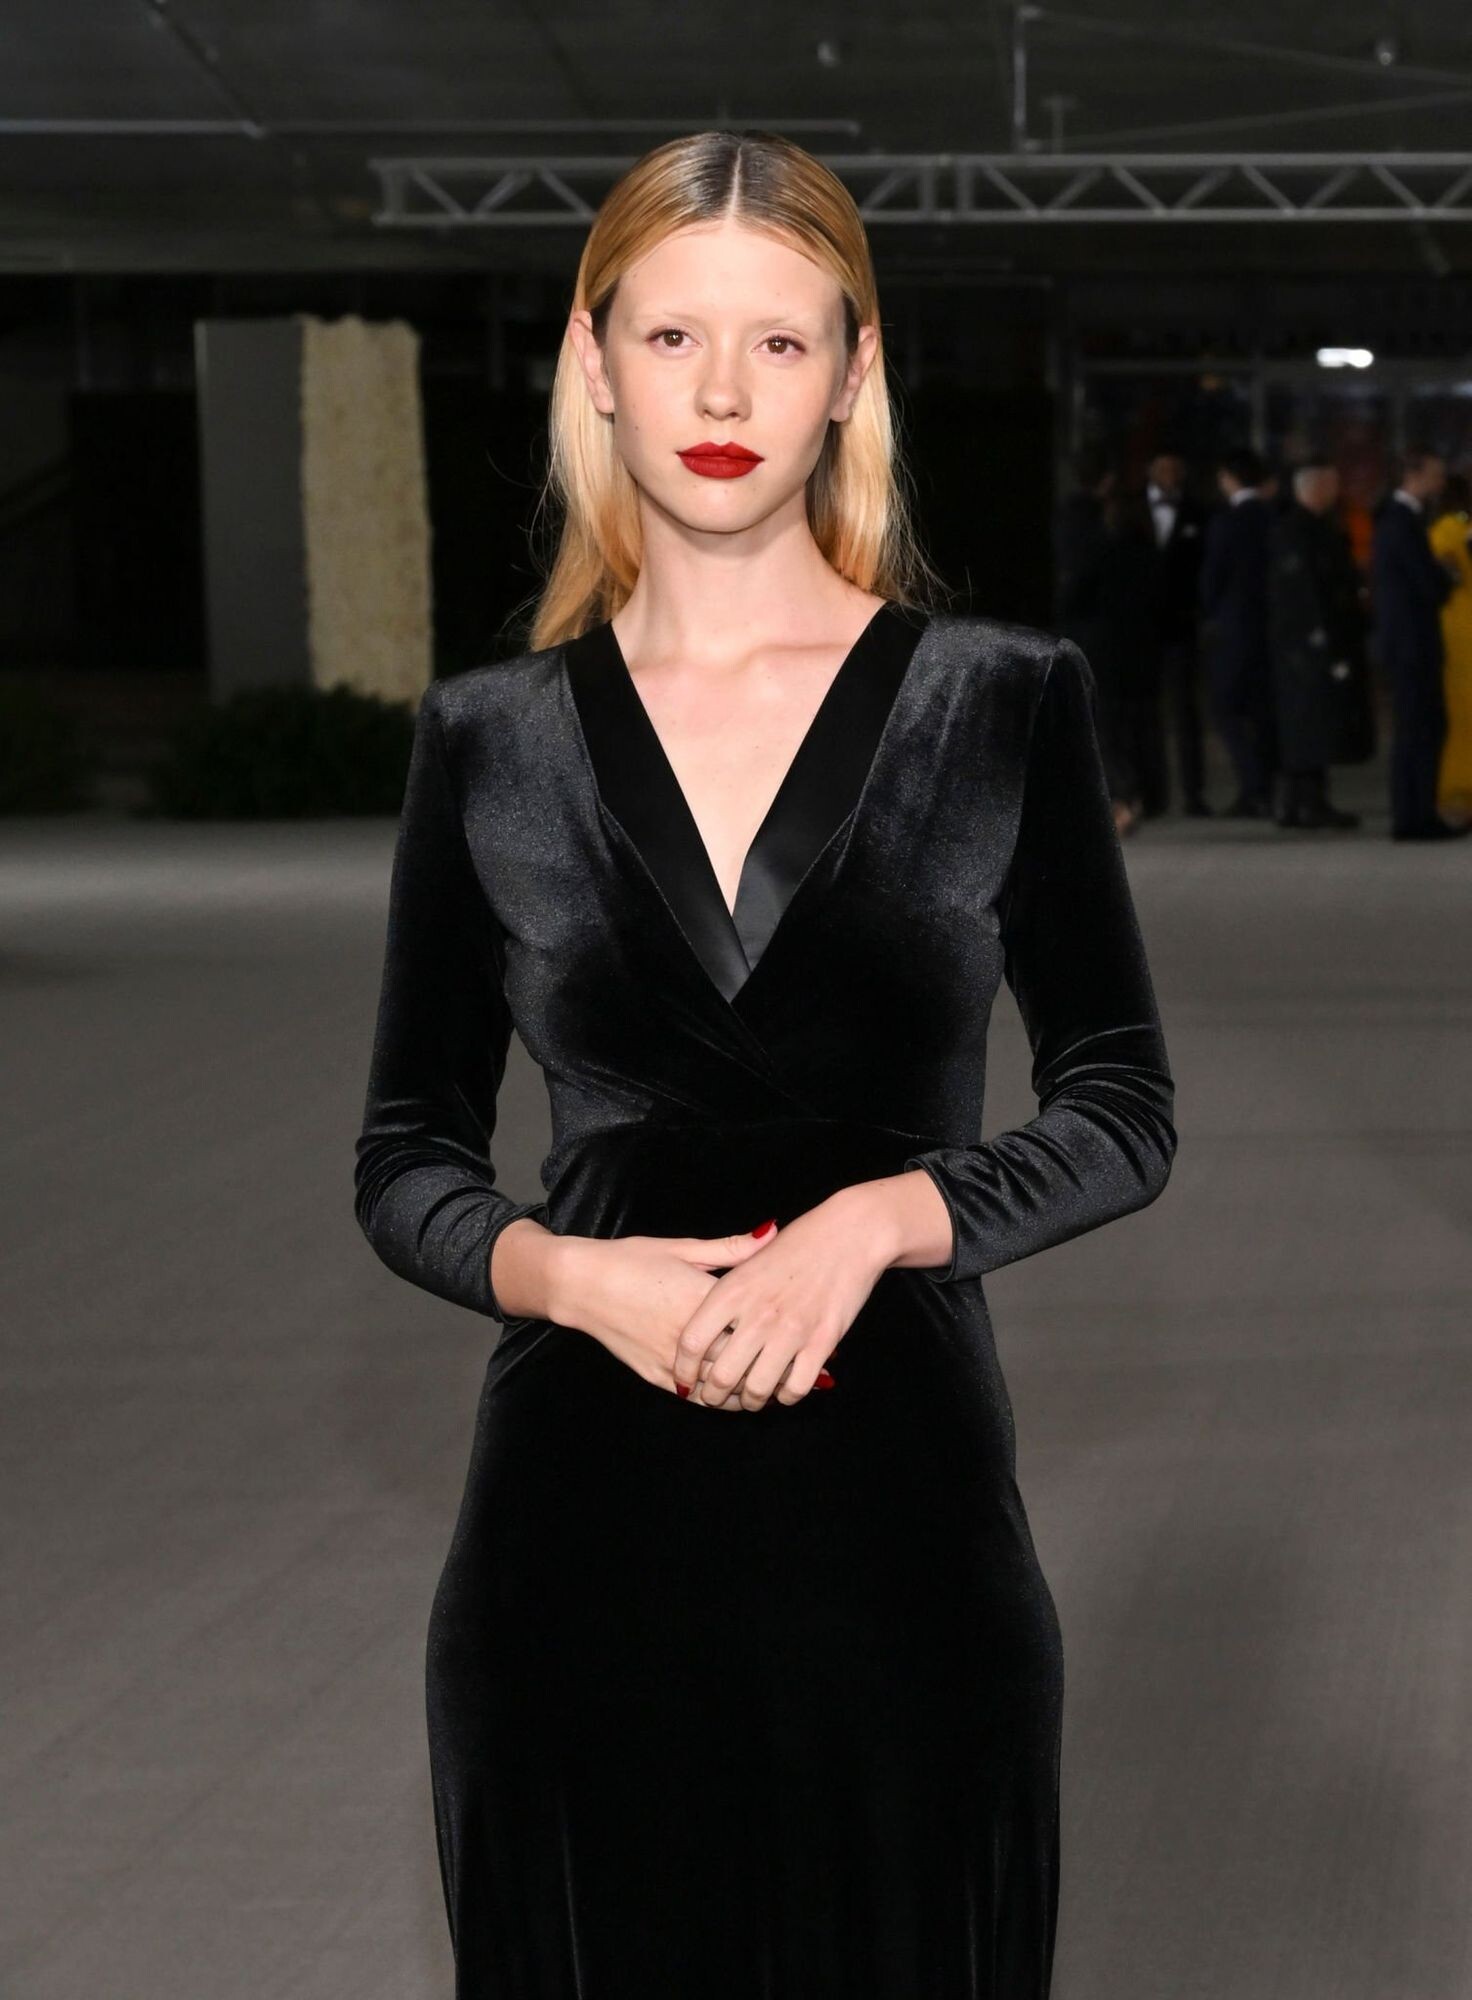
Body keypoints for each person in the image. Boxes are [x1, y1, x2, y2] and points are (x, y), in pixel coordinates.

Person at [353, 128, 1178, 1999]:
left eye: (780, 343)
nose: (723, 395)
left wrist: (883, 1219)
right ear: (593, 363)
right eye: (672, 338)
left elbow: (1124, 1108)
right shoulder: (487, 742)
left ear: (853, 373)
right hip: (573, 1552)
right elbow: (403, 1152)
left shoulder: (1003, 702)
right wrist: (573, 1280)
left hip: (907, 1543)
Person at [1371, 449, 1468, 840]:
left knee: (1418, 729)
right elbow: (1428, 583)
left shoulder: (1400, 518)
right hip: (1412, 645)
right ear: (1413, 475)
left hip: (1409, 644)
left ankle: (1414, 813)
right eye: (1435, 474)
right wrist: (1448, 578)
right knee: (1420, 730)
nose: (1441, 482)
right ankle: (1415, 817)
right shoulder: (1401, 520)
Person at [1266, 461, 1364, 829]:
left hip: (1302, 646)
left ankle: (1297, 801)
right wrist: (1323, 640)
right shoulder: (1298, 531)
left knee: (1309, 724)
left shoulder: (1312, 528)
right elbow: (1306, 591)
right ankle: (1307, 801)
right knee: (1310, 724)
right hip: (1305, 647)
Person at [1054, 443, 1143, 832]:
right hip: (1114, 633)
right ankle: (1124, 795)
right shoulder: (1117, 520)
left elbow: (1075, 581)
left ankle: (1118, 799)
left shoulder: (1073, 520)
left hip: (1086, 631)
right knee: (1111, 718)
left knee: (1094, 720)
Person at [1201, 446, 1276, 817]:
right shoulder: (1273, 519)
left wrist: (1208, 612)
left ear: (1230, 478)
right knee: (1263, 711)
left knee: (1226, 709)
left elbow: (1213, 578)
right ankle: (1269, 785)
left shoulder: (1226, 522)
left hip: (1234, 628)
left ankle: (1252, 785)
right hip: (1270, 627)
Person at [1144, 450, 1212, 816]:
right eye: (1162, 468)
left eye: (1175, 469)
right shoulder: (1132, 511)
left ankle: (1193, 794)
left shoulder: (1198, 513)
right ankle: (1151, 794)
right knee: (1145, 714)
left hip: (1181, 627)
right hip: (1142, 630)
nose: (1169, 475)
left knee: (1185, 713)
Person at [1429, 471, 1472, 826]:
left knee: (1459, 714)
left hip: (1455, 628)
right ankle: (1457, 789)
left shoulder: (1441, 531)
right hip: (1461, 629)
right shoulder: (1454, 531)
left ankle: (1456, 790)